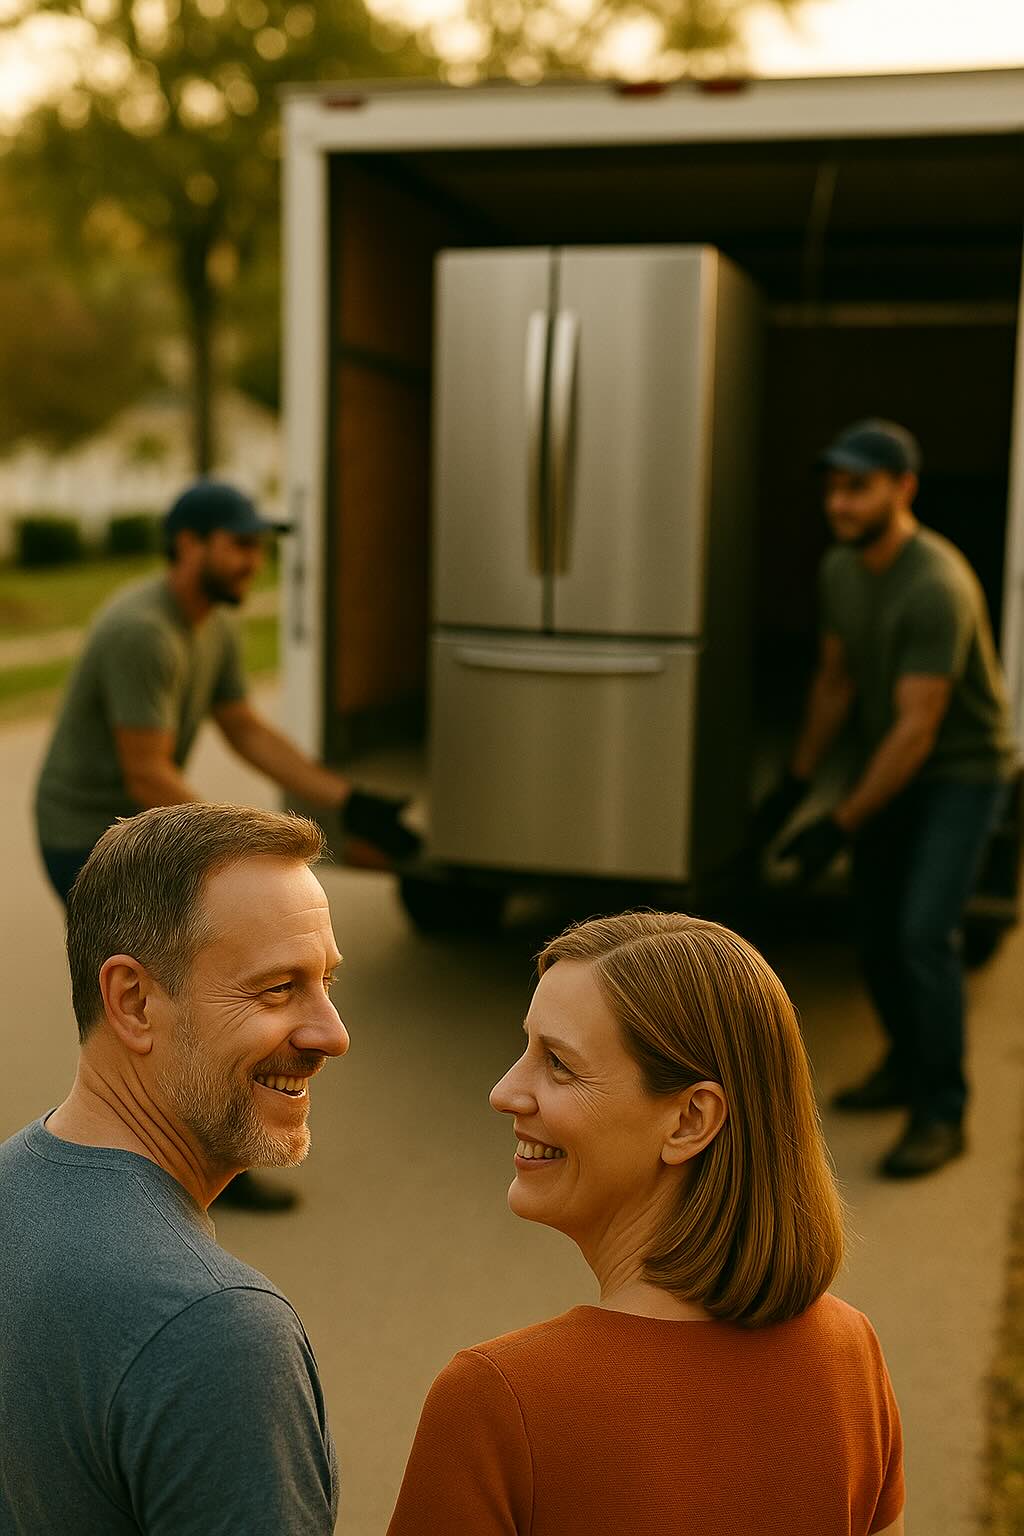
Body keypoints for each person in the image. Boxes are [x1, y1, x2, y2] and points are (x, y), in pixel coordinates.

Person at [386, 911, 904, 1536]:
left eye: (559, 1065)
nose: (504, 1091)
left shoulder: (498, 1402)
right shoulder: (848, 1351)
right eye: (525, 1051)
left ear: (689, 1121)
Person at [34, 478, 417, 1208]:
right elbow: (147, 773)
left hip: (147, 832)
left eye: (259, 548)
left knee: (191, 1000)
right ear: (189, 544)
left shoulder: (212, 626)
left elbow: (247, 730)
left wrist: (346, 800)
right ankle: (138, 1162)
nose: (253, 562)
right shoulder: (143, 632)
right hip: (87, 834)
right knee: (155, 1004)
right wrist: (248, 863)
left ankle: (197, 1146)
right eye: (240, 545)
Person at [0, 802, 348, 1535]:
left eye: (327, 982)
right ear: (133, 1002)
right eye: (278, 988)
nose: (331, 1034)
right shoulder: (214, 1330)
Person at [752, 420, 1018, 1179]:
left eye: (858, 486)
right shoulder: (840, 569)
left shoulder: (937, 584)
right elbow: (835, 683)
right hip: (893, 760)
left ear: (904, 489)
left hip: (961, 771)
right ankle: (906, 1061)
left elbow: (918, 728)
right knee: (870, 930)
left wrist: (839, 824)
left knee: (922, 935)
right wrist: (793, 787)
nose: (840, 501)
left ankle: (943, 1111)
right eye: (834, 487)